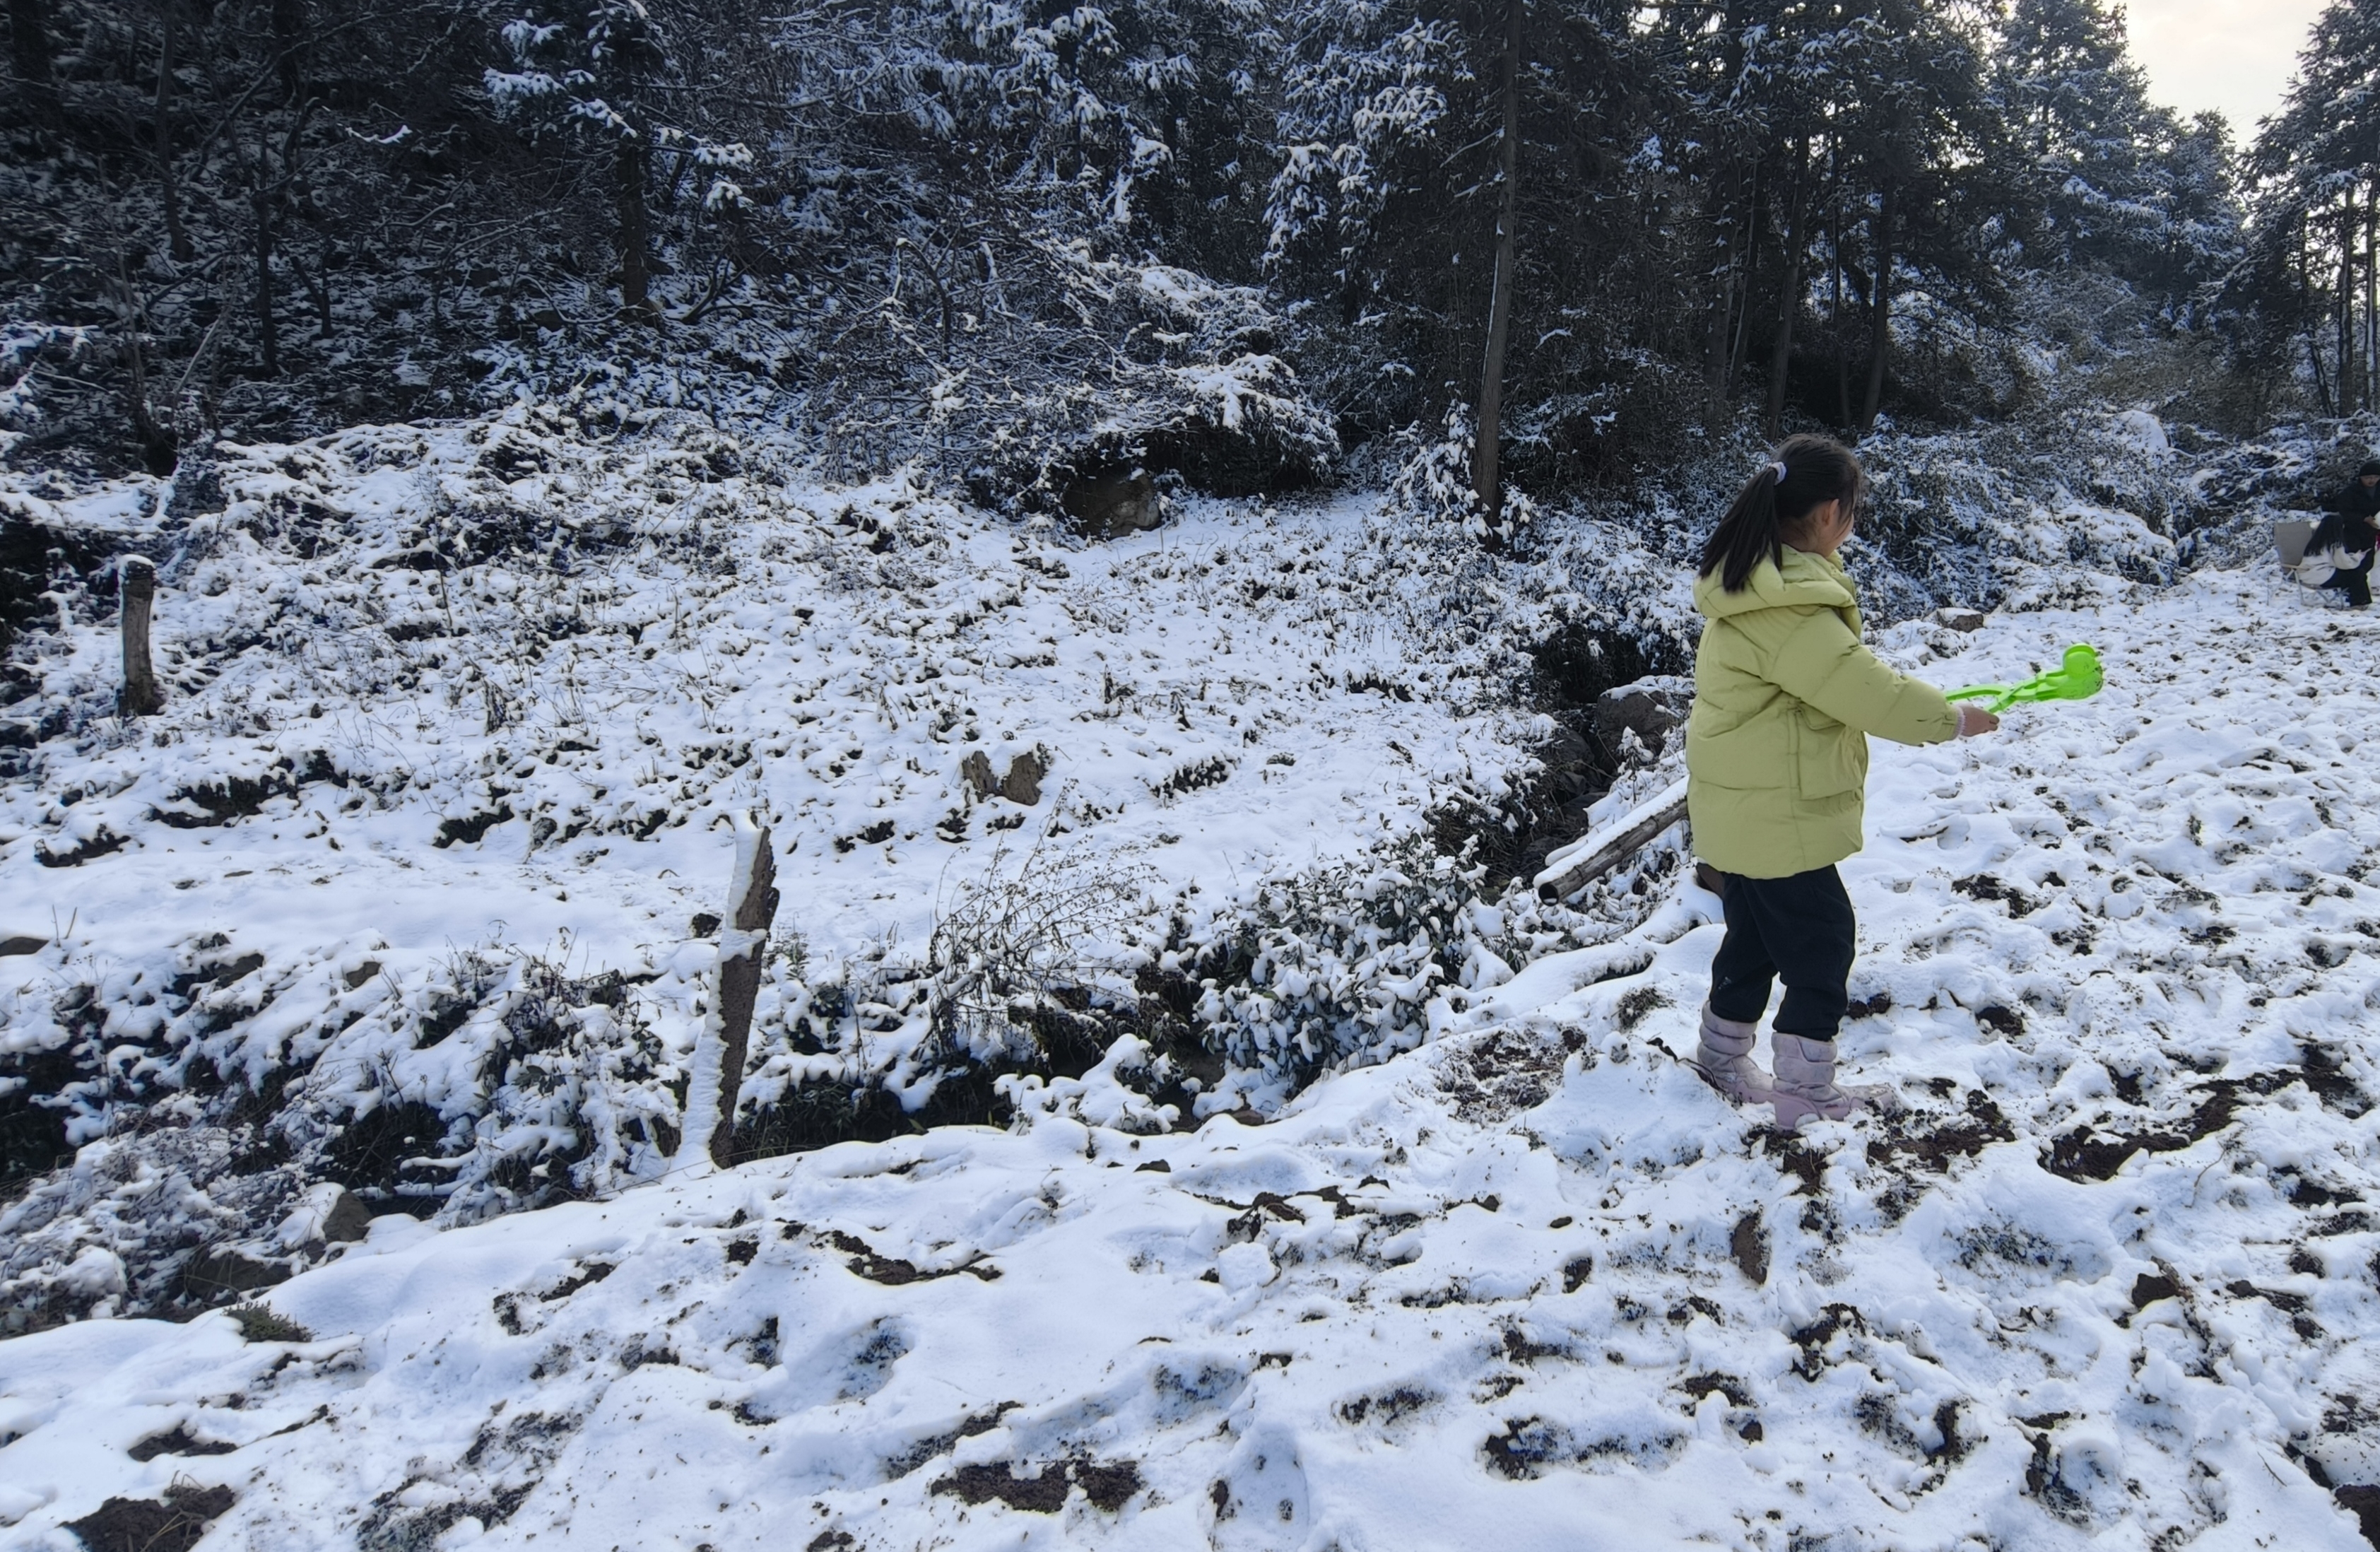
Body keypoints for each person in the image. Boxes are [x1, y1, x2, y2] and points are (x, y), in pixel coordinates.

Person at [1685, 434, 1999, 1128]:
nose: (1851, 523)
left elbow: (1836, 682)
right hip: (1776, 813)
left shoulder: (1753, 585)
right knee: (1823, 939)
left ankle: (1720, 1057)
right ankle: (1804, 1088)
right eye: (1852, 510)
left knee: (1754, 938)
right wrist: (1951, 720)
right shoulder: (1788, 608)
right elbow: (1865, 691)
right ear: (1829, 513)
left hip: (1744, 809)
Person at [2312, 459, 2380, 608]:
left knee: (2368, 563)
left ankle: (2356, 590)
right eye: (2368, 477)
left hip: (2372, 531)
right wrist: (2363, 519)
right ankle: (2357, 595)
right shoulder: (2351, 492)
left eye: (2375, 477)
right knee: (2353, 564)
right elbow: (2344, 512)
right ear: (2361, 478)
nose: (2372, 480)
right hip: (2353, 532)